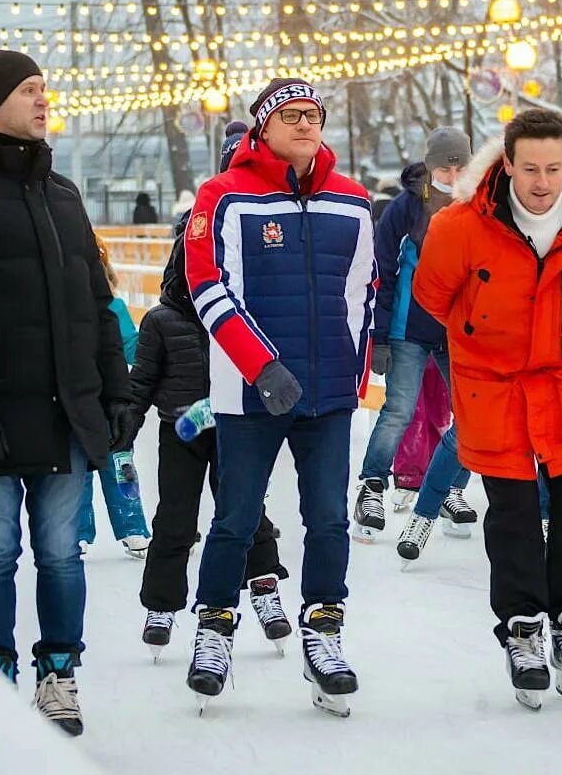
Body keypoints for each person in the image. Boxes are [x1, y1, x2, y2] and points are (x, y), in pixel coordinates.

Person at [0, 51, 134, 736]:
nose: (44, 100)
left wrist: (117, 391)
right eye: (29, 89)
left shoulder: (63, 194)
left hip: (67, 408)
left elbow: (97, 304)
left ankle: (59, 672)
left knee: (61, 553)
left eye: (45, 88)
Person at [413, 109, 562, 709]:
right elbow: (433, 294)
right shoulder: (461, 226)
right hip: (494, 385)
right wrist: (487, 331)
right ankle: (524, 630)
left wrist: (561, 333)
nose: (542, 181)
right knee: (510, 513)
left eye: (553, 168)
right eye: (529, 168)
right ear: (507, 164)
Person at [183, 77, 375, 717]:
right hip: (250, 394)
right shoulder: (222, 197)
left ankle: (324, 629)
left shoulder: (351, 201)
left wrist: (354, 374)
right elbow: (207, 287)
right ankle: (213, 628)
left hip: (328, 396)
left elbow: (364, 293)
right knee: (236, 518)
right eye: (289, 115)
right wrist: (261, 368)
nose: (303, 124)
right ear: (262, 126)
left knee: (328, 518)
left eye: (312, 114)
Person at [131, 134, 292, 661]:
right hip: (182, 431)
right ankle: (161, 604)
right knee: (175, 518)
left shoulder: (251, 299)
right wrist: (121, 429)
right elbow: (140, 382)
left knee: (245, 513)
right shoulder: (163, 320)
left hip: (236, 422)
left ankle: (265, 587)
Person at [354, 127, 473, 542]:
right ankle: (371, 486)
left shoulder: (479, 205)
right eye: (444, 166)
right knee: (400, 410)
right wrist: (381, 335)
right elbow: (382, 272)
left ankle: (449, 487)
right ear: (430, 165)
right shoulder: (407, 208)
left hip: (458, 330)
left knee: (475, 415)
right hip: (410, 327)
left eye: (460, 165)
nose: (453, 175)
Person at [76, 235, 151, 558]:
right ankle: (77, 531)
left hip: (112, 399)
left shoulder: (115, 307)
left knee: (121, 463)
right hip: (77, 398)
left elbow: (131, 345)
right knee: (77, 467)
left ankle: (133, 528)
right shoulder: (64, 311)